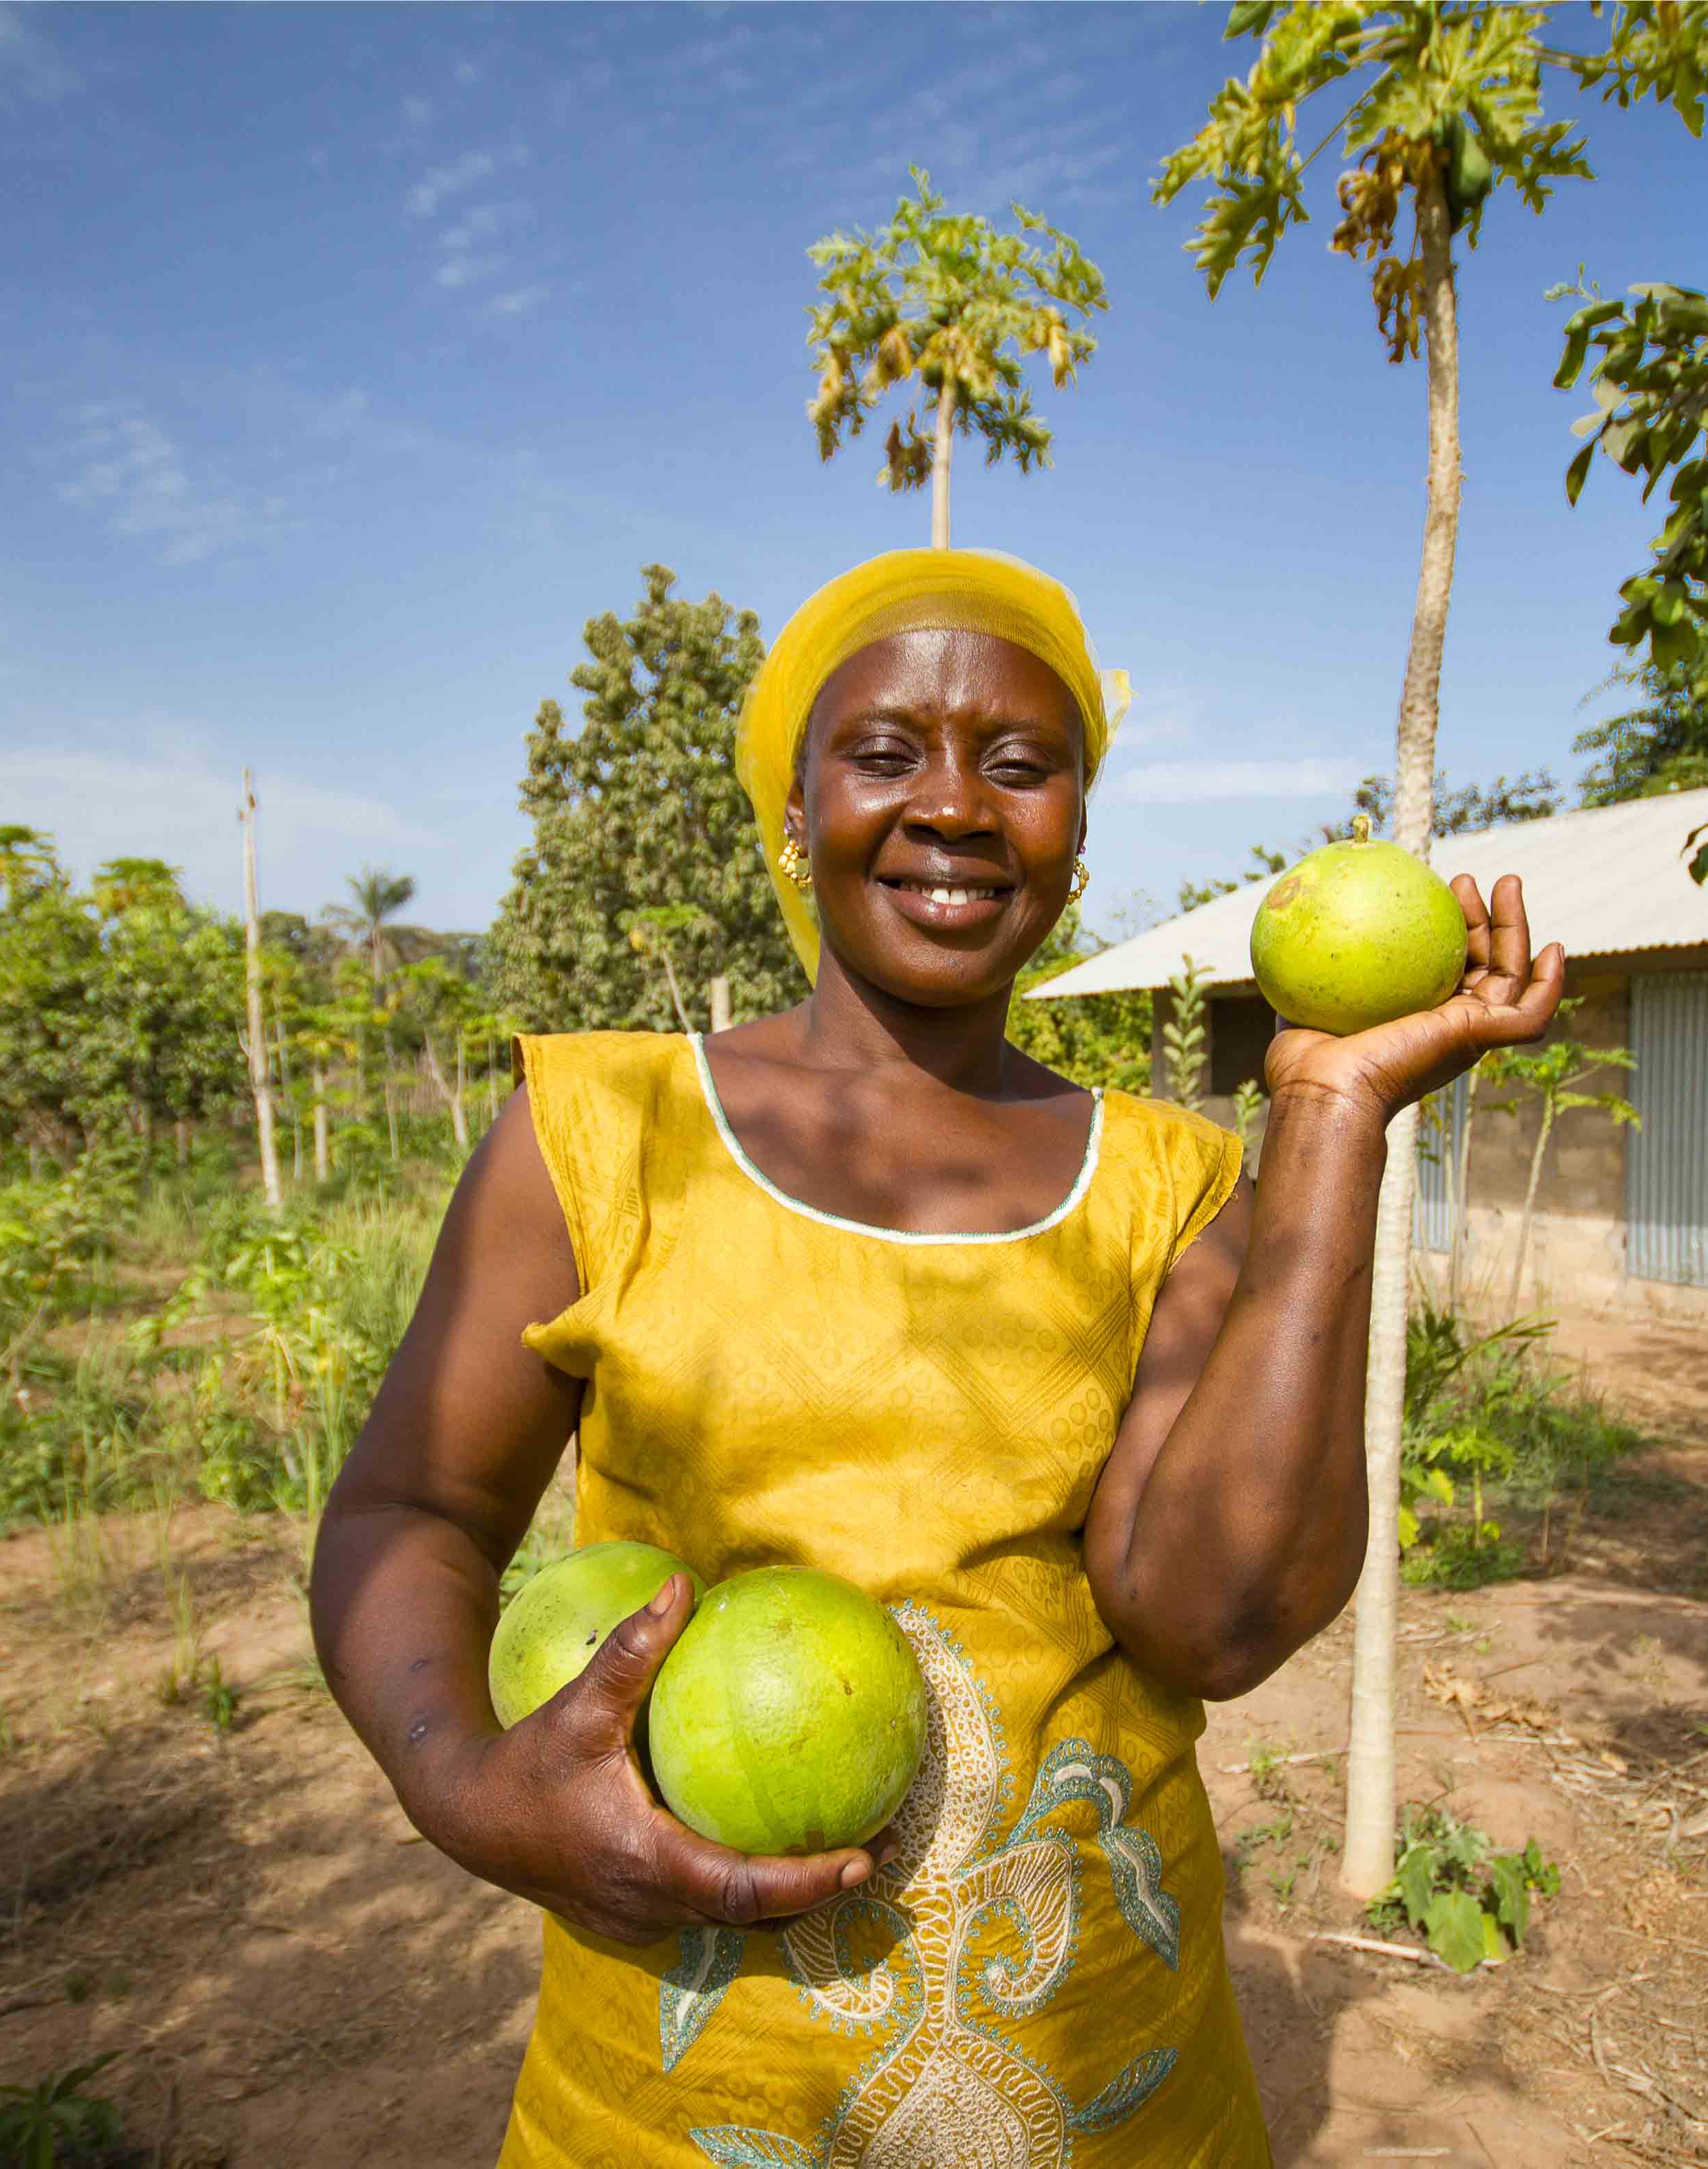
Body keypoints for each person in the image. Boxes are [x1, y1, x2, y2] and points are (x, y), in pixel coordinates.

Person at [311, 548, 1566, 2166]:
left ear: (1076, 838)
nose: (958, 806)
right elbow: (405, 1510)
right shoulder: (597, 1133)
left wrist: (1328, 1117)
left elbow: (1217, 1617)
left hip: (1103, 2068)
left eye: (1023, 766)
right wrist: (458, 1785)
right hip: (685, 2091)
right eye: (887, 753)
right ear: (792, 808)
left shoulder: (1170, 1188)